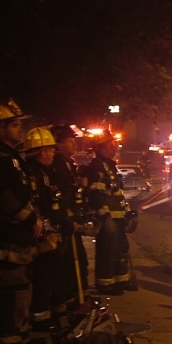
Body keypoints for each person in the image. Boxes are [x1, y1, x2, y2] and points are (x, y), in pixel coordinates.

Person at [0, 99, 40, 344]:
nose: (20, 129)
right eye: (15, 125)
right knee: (9, 291)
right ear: (1, 130)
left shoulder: (12, 157)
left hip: (17, 235)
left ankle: (21, 340)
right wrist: (31, 220)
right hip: (6, 235)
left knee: (21, 288)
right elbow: (6, 197)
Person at [23, 127, 72, 330]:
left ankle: (52, 313)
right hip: (42, 236)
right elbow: (35, 203)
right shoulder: (32, 174)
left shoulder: (46, 172)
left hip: (52, 233)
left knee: (55, 274)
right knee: (43, 276)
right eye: (51, 150)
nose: (53, 153)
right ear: (42, 152)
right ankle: (40, 318)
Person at [86, 129, 136, 295]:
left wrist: (127, 211)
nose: (114, 146)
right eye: (111, 144)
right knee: (107, 251)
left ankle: (121, 280)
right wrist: (105, 216)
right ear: (101, 148)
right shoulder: (96, 166)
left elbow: (117, 193)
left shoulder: (110, 166)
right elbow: (96, 193)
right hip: (108, 218)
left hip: (118, 217)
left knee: (121, 248)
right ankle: (105, 283)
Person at [51, 124, 90, 303]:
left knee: (78, 260)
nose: (74, 144)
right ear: (59, 144)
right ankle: (74, 300)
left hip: (72, 218)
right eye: (69, 141)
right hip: (66, 221)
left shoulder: (67, 163)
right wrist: (68, 218)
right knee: (71, 261)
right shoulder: (59, 164)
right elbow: (63, 193)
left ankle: (79, 297)